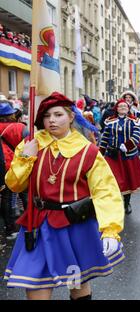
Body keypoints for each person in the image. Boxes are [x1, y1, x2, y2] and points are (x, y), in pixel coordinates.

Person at [3, 92, 125, 300]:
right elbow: (14, 185)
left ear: (70, 117)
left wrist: (110, 230)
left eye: (58, 114)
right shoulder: (31, 143)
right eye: (47, 115)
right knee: (35, 286)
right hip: (38, 225)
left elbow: (105, 191)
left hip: (74, 226)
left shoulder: (88, 151)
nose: (51, 120)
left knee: (77, 285)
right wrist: (26, 158)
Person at [100, 99, 140, 215]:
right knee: (112, 180)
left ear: (128, 108)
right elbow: (105, 137)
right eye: (120, 106)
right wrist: (100, 153)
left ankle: (126, 203)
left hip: (127, 155)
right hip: (112, 155)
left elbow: (136, 135)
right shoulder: (110, 121)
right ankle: (114, 202)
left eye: (125, 106)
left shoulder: (134, 121)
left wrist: (127, 145)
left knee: (127, 180)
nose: (123, 108)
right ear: (116, 108)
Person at [0, 101, 28, 240]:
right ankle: (30, 224)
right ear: (10, 114)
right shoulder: (19, 127)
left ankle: (10, 229)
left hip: (2, 167)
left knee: (6, 197)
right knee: (25, 194)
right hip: (17, 166)